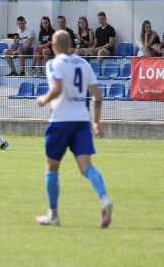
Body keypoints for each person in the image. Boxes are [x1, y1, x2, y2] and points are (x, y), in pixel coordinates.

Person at [35, 31, 113, 228]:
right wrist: (95, 122)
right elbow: (97, 95)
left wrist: (43, 100)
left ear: (52, 46)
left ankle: (53, 214)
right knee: (86, 166)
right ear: (70, 43)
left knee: (51, 168)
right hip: (81, 121)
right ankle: (104, 198)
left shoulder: (54, 63)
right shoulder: (83, 63)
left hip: (61, 121)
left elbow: (57, 88)